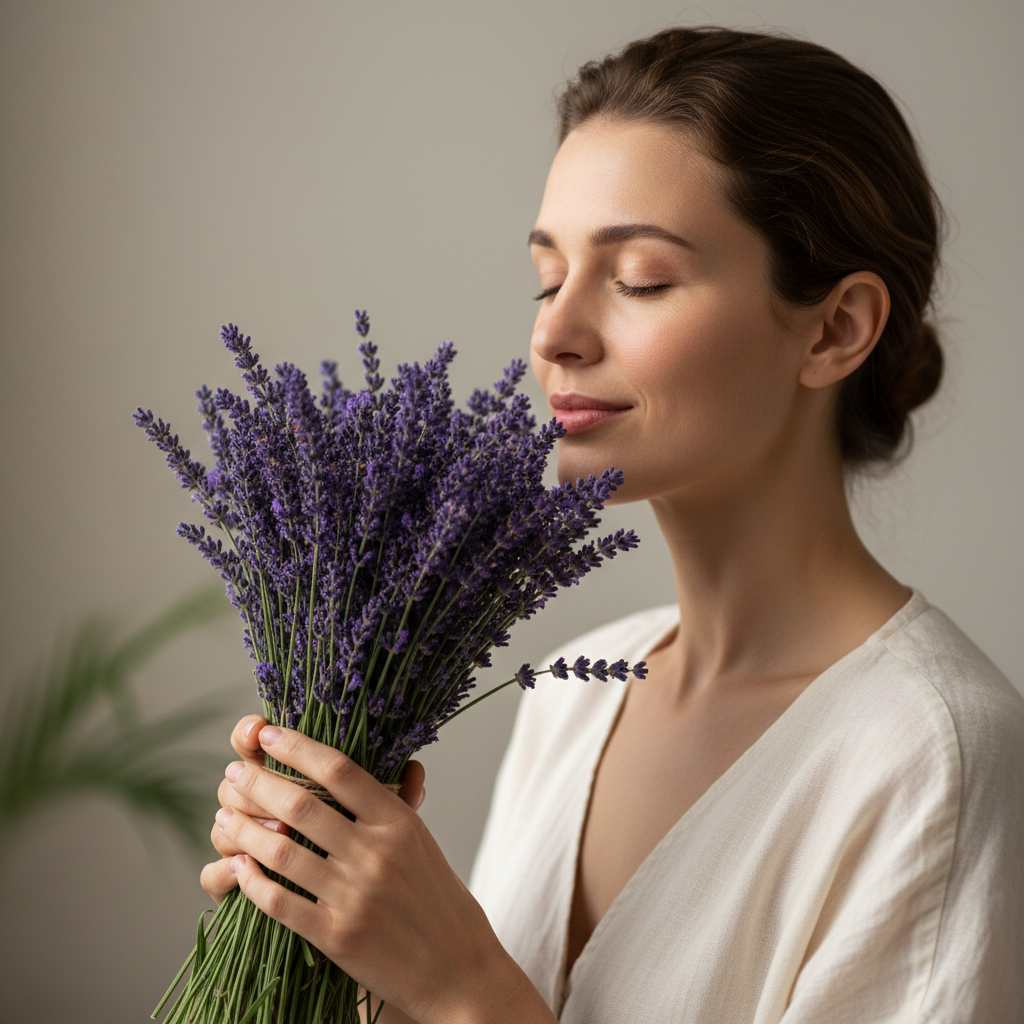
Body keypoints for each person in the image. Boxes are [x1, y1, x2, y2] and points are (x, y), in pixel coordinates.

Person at [201, 27, 1024, 1023]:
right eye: (548, 278)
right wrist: (351, 948)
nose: (553, 333)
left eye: (637, 278)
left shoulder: (933, 755)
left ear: (835, 326)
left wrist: (462, 981)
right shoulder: (572, 695)